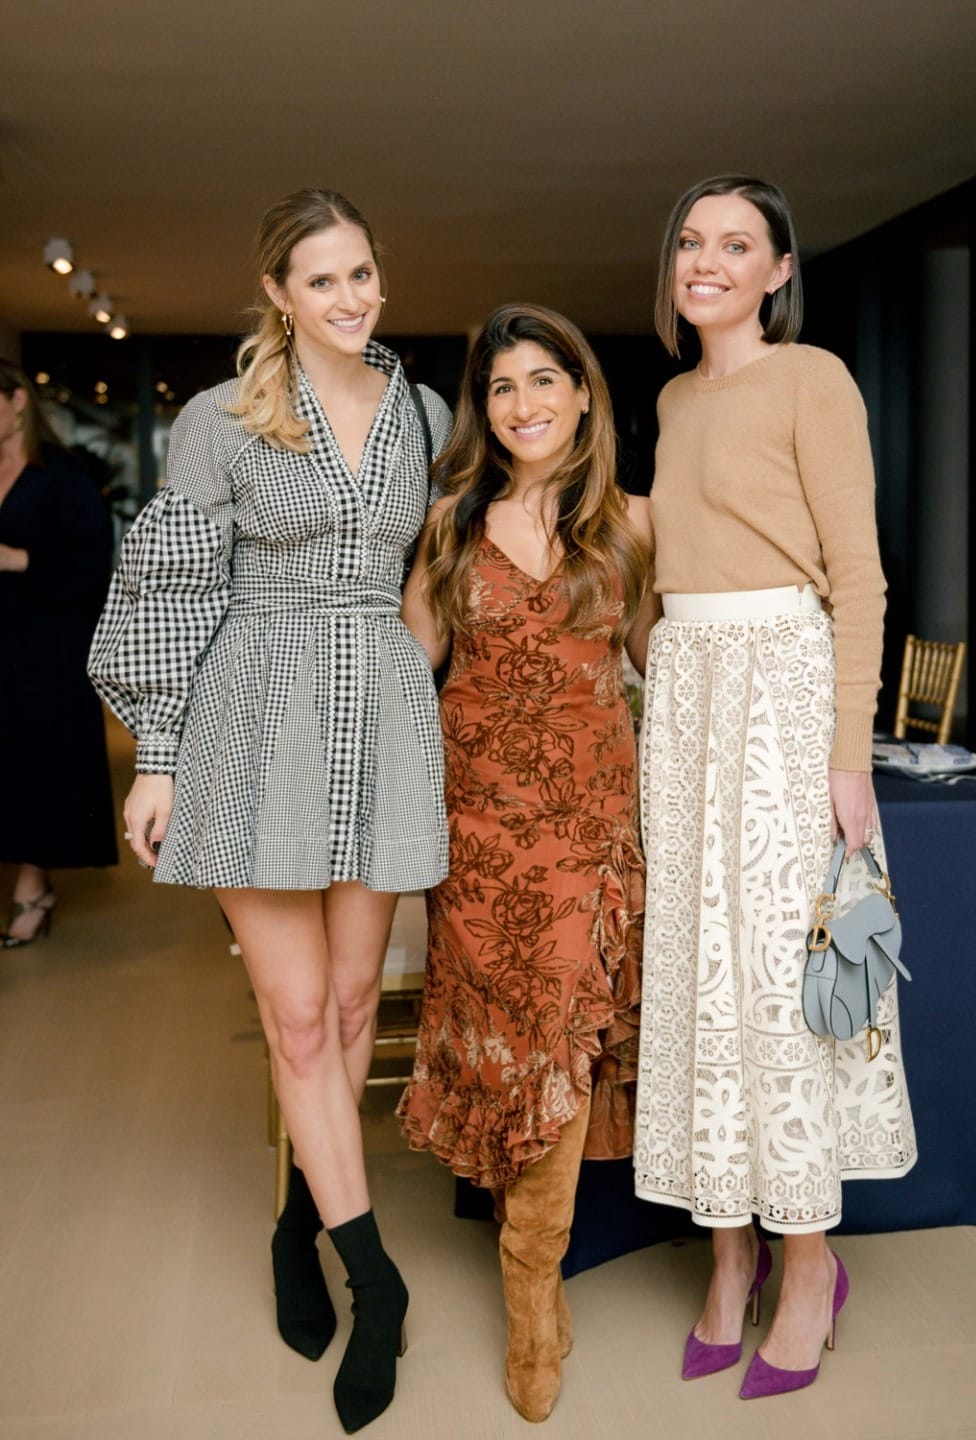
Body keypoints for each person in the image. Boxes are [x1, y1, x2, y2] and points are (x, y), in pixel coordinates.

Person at [88, 189, 451, 1435]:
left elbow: (428, 584)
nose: (353, 299)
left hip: (384, 713)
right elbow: (173, 586)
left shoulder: (426, 413)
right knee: (297, 1020)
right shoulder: (217, 421)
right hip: (258, 713)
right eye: (325, 281)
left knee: (353, 1007)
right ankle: (377, 1280)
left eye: (365, 274)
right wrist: (159, 755)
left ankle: (302, 1225)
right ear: (279, 298)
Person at [632, 176, 917, 1400]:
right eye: (692, 241)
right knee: (696, 970)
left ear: (778, 271)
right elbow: (675, 568)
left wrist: (848, 753)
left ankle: (809, 1262)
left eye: (735, 244)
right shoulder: (672, 396)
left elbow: (859, 577)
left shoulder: (815, 380)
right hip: (688, 690)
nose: (707, 260)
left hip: (786, 692)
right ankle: (728, 1250)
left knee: (776, 980)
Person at [398, 304, 659, 1422]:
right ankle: (535, 1287)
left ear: (586, 393)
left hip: (590, 840)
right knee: (512, 1063)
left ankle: (528, 1296)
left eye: (545, 379)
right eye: (503, 387)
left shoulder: (636, 528)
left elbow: (668, 674)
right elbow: (409, 683)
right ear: (484, 409)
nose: (525, 404)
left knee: (556, 1048)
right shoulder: (447, 527)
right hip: (477, 841)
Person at [1, 360, 117, 945]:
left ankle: (32, 884)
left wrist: (18, 560)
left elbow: (96, 569)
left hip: (44, 650)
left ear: (18, 400)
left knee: (35, 763)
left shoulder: (64, 477)